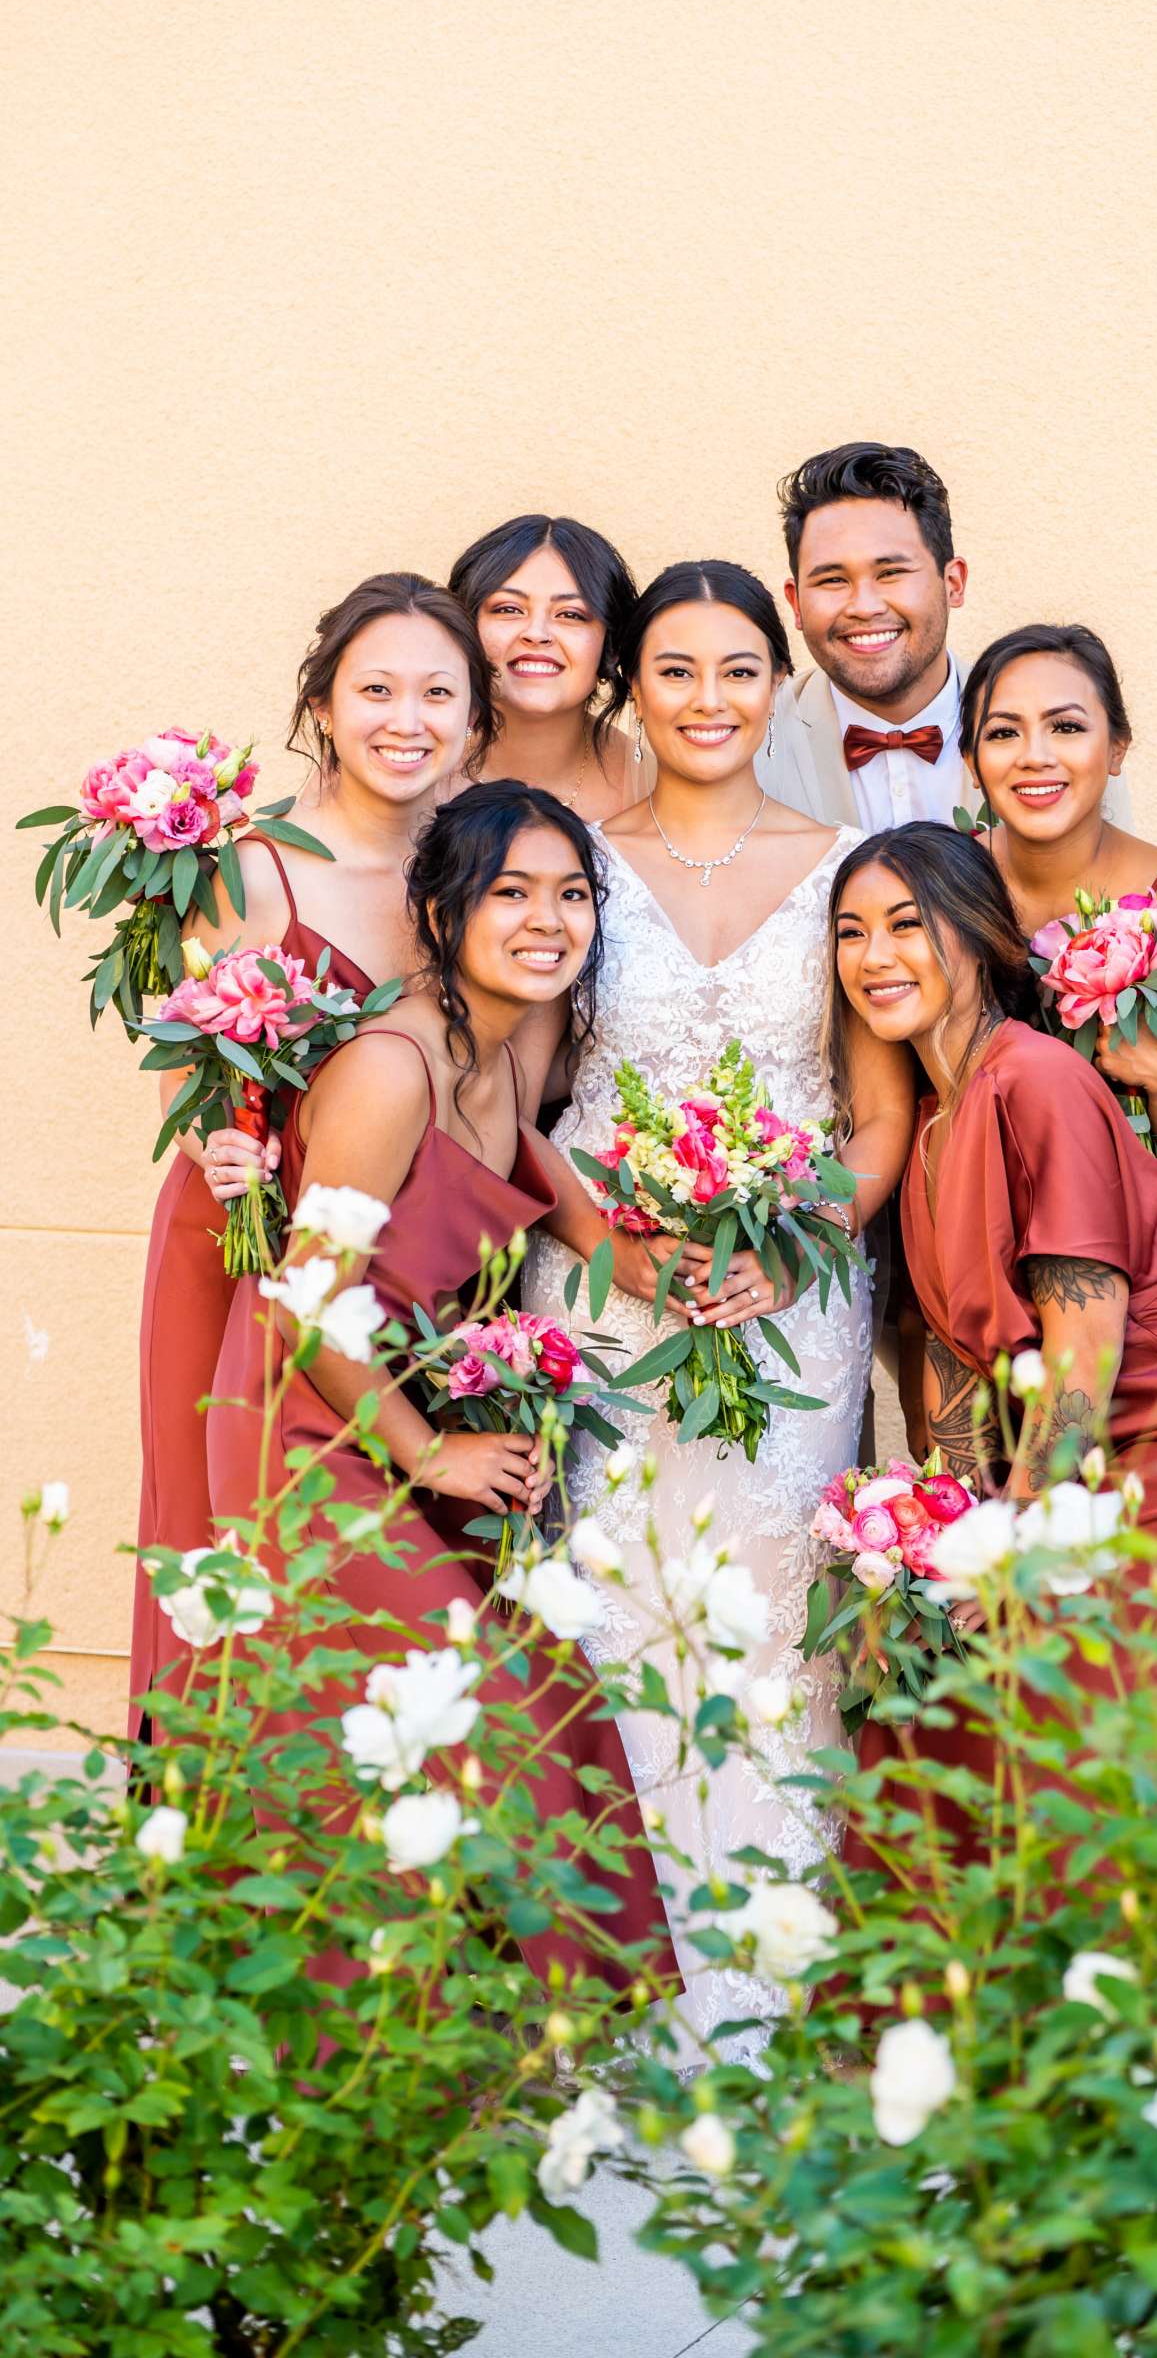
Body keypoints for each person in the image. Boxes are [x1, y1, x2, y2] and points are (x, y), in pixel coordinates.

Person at [524, 559, 917, 2043]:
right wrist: (616, 1247)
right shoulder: (573, 857)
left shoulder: (842, 865)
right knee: (620, 1600)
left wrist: (799, 1238)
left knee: (775, 1617)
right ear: (635, 685)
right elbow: (521, 1094)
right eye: (675, 670)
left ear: (778, 684)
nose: (707, 700)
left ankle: (780, 1972)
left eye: (739, 669)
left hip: (793, 1301)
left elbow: (874, 1117)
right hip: (608, 1291)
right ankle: (623, 1976)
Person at [206, 782, 663, 1974]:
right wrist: (430, 1451)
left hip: (409, 1410)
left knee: (538, 1698)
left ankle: (483, 2044)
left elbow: (556, 1196)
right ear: (441, 910)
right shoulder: (393, 1068)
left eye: (571, 895)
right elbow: (309, 1300)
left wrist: (680, 1276)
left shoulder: (505, 1051)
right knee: (476, 1719)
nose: (547, 919)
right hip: (313, 1427)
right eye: (511, 892)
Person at [131, 571, 493, 1737]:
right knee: (234, 1537)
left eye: (439, 692)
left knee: (396, 1576)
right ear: (323, 705)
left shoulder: (476, 866)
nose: (408, 719)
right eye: (376, 688)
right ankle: (215, 1832)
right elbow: (206, 1059)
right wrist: (217, 1142)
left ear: (475, 718)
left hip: (410, 1257)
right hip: (250, 1247)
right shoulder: (252, 870)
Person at [827, 824, 1157, 1591]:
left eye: (906, 924)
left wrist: (1021, 1536)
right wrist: (949, 1527)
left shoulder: (1034, 1081)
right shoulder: (928, 1122)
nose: (874, 956)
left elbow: (1085, 1338)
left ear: (978, 934)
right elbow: (951, 1352)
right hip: (1091, 1447)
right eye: (852, 933)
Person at [964, 623, 1157, 1190]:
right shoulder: (941, 889)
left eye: (1066, 727)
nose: (1034, 756)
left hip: (1135, 1236)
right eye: (1003, 733)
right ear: (971, 760)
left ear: (1116, 748)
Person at [763, 439, 1132, 832]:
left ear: (953, 582)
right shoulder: (751, 742)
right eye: (833, 580)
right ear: (796, 603)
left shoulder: (1066, 733)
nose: (864, 606)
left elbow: (1107, 883)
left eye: (891, 573)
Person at [447, 512, 644, 826]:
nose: (537, 633)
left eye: (571, 614)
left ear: (611, 643)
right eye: (509, 609)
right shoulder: (418, 768)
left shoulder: (653, 787)